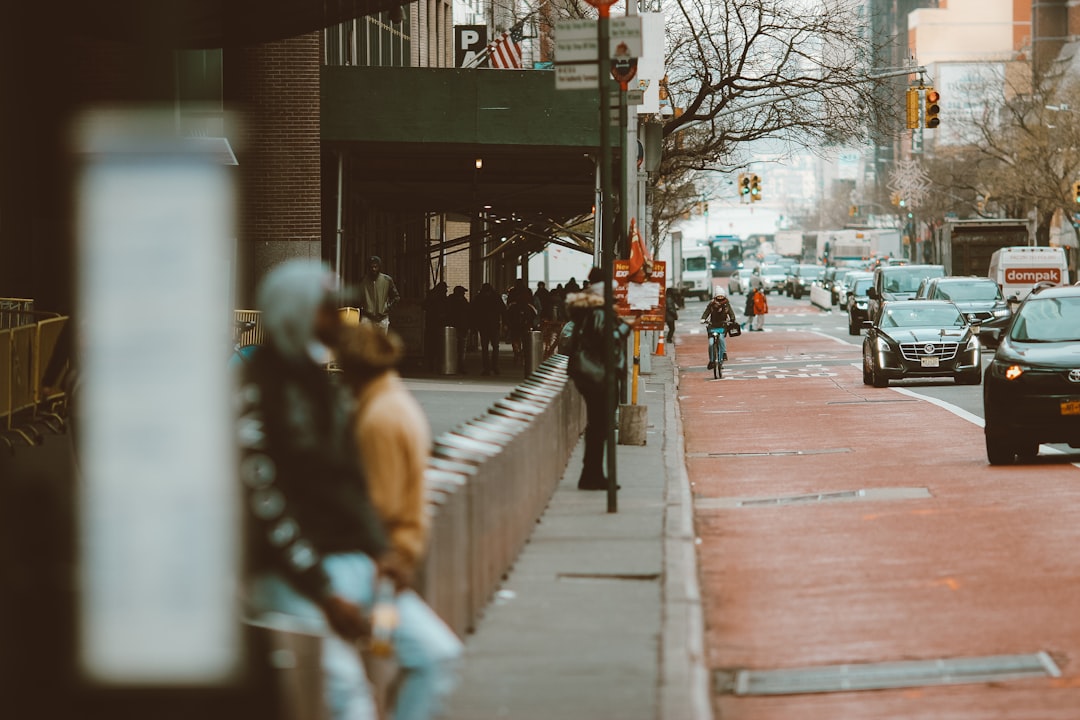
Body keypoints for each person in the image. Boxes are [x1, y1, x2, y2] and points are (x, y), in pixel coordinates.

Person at [235, 259, 457, 720]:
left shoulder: (324, 388)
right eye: (327, 309)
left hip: (356, 567)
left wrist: (382, 552)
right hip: (296, 581)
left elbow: (349, 484)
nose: (339, 318)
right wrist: (321, 588)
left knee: (436, 656)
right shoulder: (254, 392)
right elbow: (263, 501)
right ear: (292, 312)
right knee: (348, 702)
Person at [335, 321, 463, 717]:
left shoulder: (378, 417)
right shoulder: (392, 402)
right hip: (383, 567)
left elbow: (378, 504)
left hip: (373, 570)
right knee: (430, 656)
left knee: (358, 677)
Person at [565, 266, 632, 491]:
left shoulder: (588, 309)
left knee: (597, 427)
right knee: (600, 427)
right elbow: (606, 341)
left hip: (590, 372)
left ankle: (592, 473)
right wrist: (626, 326)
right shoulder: (599, 311)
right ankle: (592, 475)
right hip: (599, 374)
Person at [359, 255, 400, 332]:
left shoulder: (387, 280)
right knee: (365, 343)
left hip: (382, 318)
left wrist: (387, 307)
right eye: (371, 267)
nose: (373, 269)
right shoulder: (362, 281)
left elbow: (396, 297)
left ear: (379, 267)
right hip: (367, 318)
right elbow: (357, 297)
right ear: (368, 268)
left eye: (376, 267)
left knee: (381, 343)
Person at [473, 283, 505, 375]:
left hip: (483, 326)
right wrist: (505, 323)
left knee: (485, 347)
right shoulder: (496, 297)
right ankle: (494, 367)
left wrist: (475, 325)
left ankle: (487, 368)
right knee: (495, 346)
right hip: (493, 325)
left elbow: (474, 311)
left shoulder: (479, 298)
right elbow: (502, 310)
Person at [700, 291, 736, 367]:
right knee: (710, 344)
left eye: (721, 296)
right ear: (715, 296)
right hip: (712, 325)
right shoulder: (711, 304)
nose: (720, 298)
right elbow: (706, 312)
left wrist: (732, 319)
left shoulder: (726, 305)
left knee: (721, 339)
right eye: (718, 296)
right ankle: (711, 360)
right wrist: (703, 319)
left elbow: (731, 313)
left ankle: (723, 354)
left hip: (722, 325)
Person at [422, 281, 448, 372]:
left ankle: (431, 365)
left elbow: (424, 306)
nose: (446, 291)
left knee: (431, 345)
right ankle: (436, 365)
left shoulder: (431, 296)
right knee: (438, 345)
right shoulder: (441, 298)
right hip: (438, 324)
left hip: (431, 324)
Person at [444, 285, 472, 374]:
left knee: (454, 349)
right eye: (463, 292)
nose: (464, 293)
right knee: (460, 349)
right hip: (460, 327)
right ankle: (459, 367)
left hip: (454, 328)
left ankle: (453, 366)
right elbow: (468, 313)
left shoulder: (449, 300)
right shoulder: (462, 302)